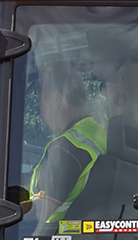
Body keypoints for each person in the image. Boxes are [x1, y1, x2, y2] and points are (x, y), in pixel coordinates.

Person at [27, 58, 107, 227]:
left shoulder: (66, 147)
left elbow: (40, 212)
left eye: (42, 106)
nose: (42, 116)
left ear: (56, 99)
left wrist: (5, 211)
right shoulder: (102, 136)